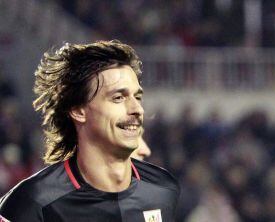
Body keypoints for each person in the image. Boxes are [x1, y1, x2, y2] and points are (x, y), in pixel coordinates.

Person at [0, 40, 179, 221]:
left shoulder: (163, 188)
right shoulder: (34, 202)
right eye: (118, 97)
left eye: (137, 97)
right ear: (78, 111)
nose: (137, 109)